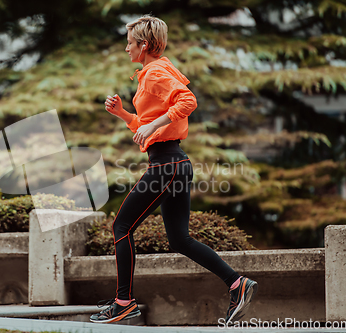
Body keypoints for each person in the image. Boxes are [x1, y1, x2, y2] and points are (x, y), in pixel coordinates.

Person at [89, 14, 258, 324]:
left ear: (143, 45)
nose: (126, 50)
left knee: (121, 227)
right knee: (179, 240)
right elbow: (151, 126)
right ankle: (237, 284)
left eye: (129, 44)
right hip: (175, 162)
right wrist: (124, 115)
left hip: (167, 164)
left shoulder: (155, 73)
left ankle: (123, 302)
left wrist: (153, 122)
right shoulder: (155, 71)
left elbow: (187, 100)